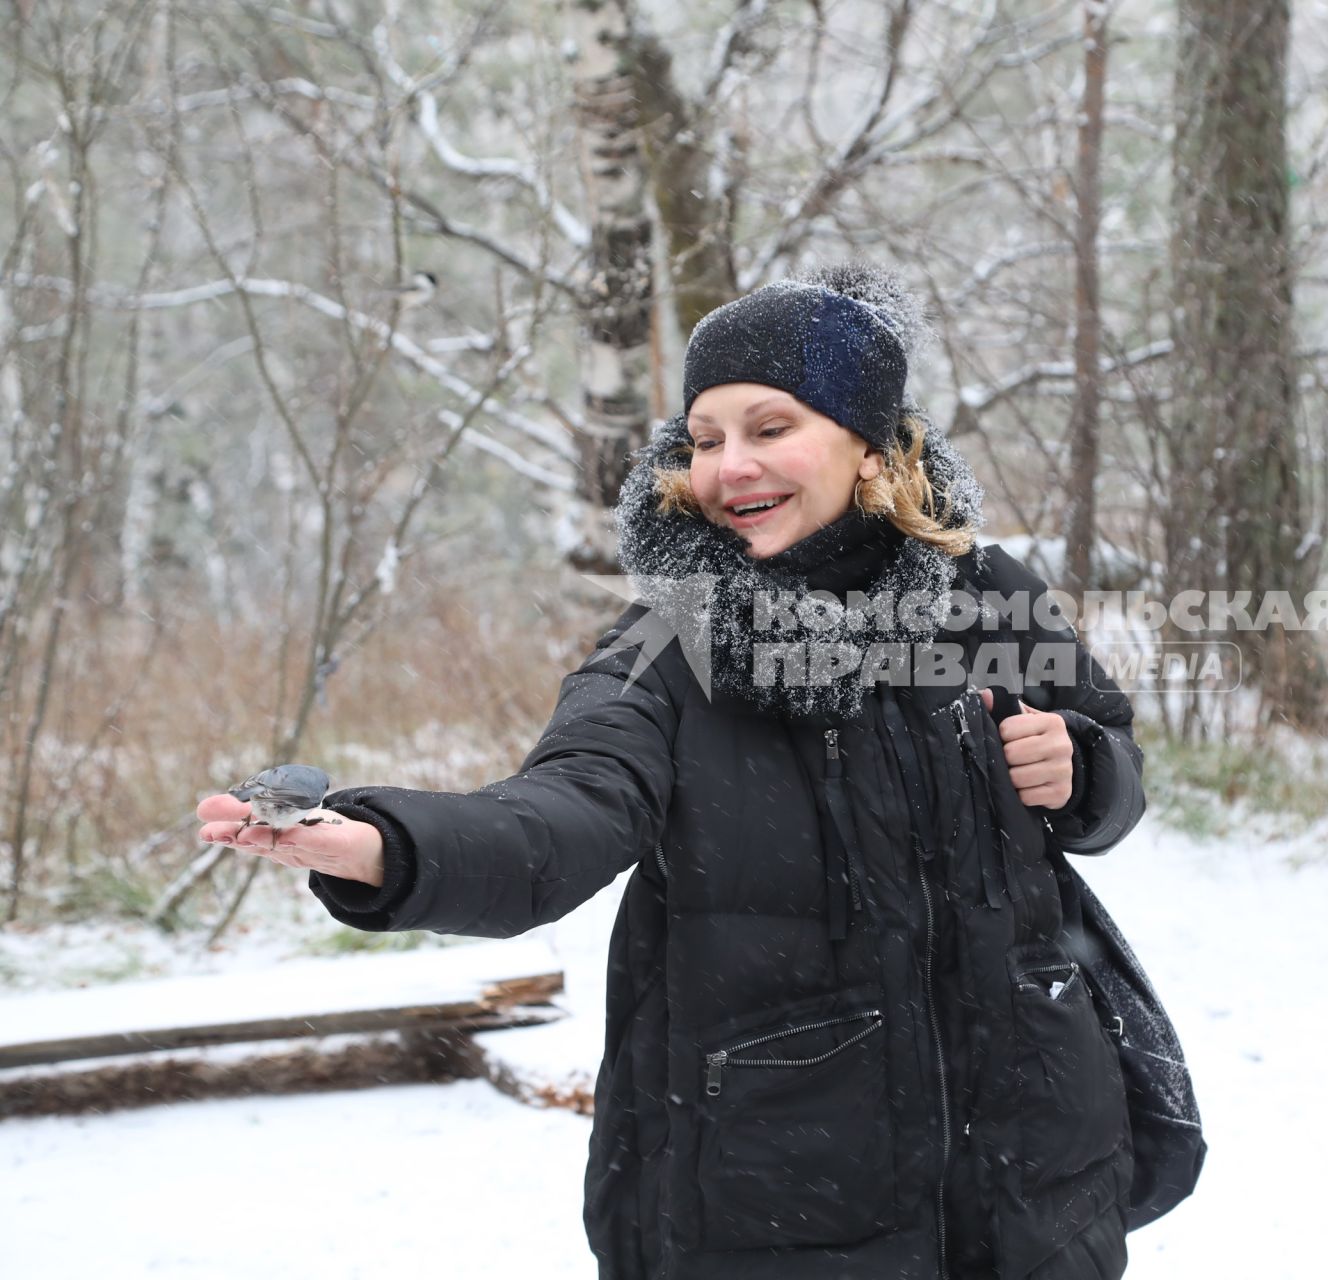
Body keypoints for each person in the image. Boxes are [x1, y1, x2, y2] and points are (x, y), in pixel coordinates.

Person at [196, 262, 1149, 1279]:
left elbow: (1114, 759)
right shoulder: (671, 643)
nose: (728, 465)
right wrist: (386, 843)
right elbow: (559, 817)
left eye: (769, 427)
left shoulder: (989, 598)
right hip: (782, 1202)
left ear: (870, 443)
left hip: (1035, 1180)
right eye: (704, 439)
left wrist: (1083, 768)